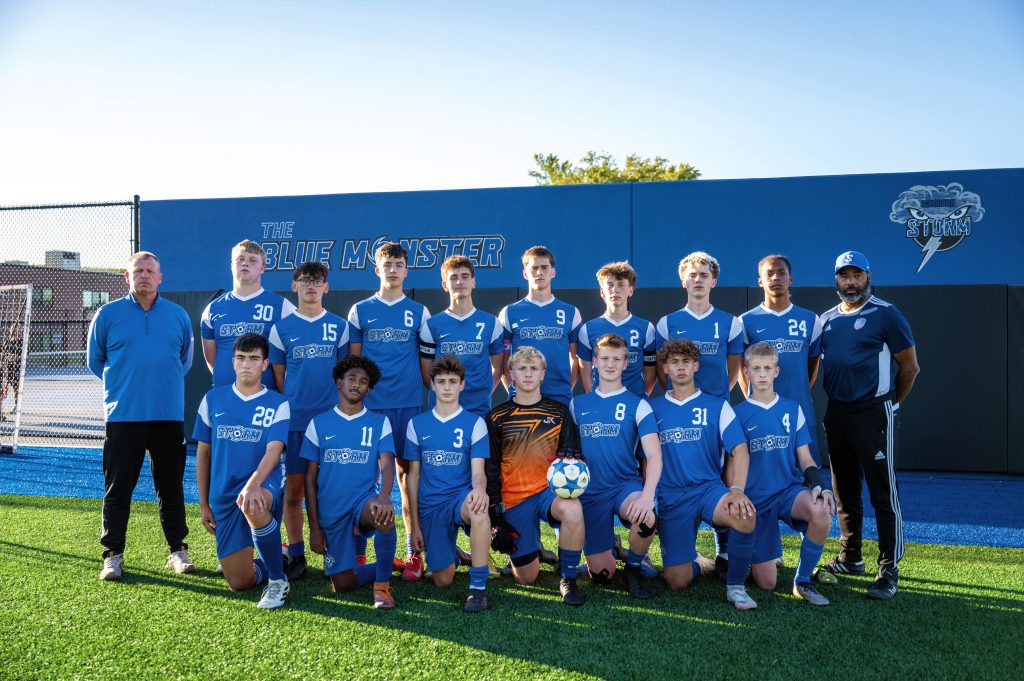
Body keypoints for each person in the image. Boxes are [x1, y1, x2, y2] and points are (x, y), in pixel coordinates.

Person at [86, 251, 195, 581]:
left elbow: (184, 361)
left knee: (171, 488)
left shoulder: (177, 316)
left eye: (150, 271)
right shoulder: (108, 314)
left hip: (167, 415)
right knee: (117, 490)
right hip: (124, 416)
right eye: (138, 271)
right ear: (127, 277)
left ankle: (177, 551)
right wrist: (124, 387)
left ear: (160, 277)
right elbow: (96, 361)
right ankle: (112, 555)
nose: (144, 276)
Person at [818, 251, 919, 600]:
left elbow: (910, 367)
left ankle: (889, 568)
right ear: (836, 280)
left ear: (868, 276)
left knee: (882, 492)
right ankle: (851, 557)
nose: (850, 282)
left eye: (856, 274)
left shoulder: (886, 314)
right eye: (844, 275)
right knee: (844, 490)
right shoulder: (826, 319)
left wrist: (891, 404)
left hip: (874, 413)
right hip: (838, 414)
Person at [650, 340, 759, 610]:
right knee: (677, 581)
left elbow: (740, 450)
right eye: (674, 362)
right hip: (671, 496)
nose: (681, 367)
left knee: (745, 514)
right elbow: (645, 459)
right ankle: (698, 563)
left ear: (696, 366)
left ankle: (736, 587)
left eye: (686, 362)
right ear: (664, 368)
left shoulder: (717, 405)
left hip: (708, 490)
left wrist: (736, 490)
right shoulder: (651, 408)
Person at [655, 251, 744, 580]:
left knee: (721, 478)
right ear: (683, 280)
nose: (698, 280)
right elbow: (664, 372)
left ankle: (725, 552)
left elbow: (733, 371)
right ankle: (682, 548)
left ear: (713, 281)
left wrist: (712, 400)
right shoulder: (668, 323)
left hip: (713, 413)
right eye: (692, 275)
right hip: (679, 410)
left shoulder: (729, 322)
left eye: (704, 275)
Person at [347, 242, 430, 580]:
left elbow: (427, 367)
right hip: (372, 409)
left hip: (409, 406)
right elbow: (354, 363)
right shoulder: (360, 310)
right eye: (387, 264)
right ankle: (359, 551)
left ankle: (413, 553)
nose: (393, 270)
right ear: (377, 269)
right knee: (364, 479)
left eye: (398, 264)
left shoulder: (419, 312)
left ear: (406, 270)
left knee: (408, 479)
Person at [732, 342, 835, 606]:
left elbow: (805, 457)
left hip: (787, 492)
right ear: (746, 373)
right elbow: (732, 464)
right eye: (756, 368)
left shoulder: (792, 409)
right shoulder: (736, 414)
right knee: (767, 583)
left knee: (822, 509)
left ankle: (802, 582)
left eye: (768, 368)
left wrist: (820, 485)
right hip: (756, 501)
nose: (762, 374)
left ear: (777, 371)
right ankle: (761, 550)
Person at [193, 333, 291, 609]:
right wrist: (203, 504)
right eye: (241, 358)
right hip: (224, 493)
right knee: (239, 582)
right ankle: (272, 556)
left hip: (264, 482)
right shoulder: (213, 400)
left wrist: (253, 484)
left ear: (265, 364)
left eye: (254, 359)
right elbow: (203, 454)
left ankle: (277, 581)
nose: (247, 364)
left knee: (252, 502)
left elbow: (274, 450)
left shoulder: (277, 403)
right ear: (232, 361)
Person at [486, 346, 587, 605]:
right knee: (526, 578)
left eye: (534, 369)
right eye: (522, 369)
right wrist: (496, 516)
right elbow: (491, 468)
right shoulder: (497, 417)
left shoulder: (560, 413)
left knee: (573, 509)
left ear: (543, 374)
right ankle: (534, 550)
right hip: (515, 500)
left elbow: (573, 459)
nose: (528, 374)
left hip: (547, 494)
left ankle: (568, 577)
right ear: (512, 374)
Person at [268, 261, 350, 580]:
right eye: (304, 280)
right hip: (296, 423)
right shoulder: (281, 329)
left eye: (317, 281)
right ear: (295, 286)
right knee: (294, 491)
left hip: (331, 423)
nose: (311, 286)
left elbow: (345, 375)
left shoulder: (339, 326)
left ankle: (336, 552)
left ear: (326, 288)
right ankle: (297, 554)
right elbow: (279, 378)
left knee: (331, 491)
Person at [302, 355, 399, 609]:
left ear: (369, 389)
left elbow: (387, 463)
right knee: (343, 585)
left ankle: (382, 587)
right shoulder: (318, 423)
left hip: (362, 502)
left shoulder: (379, 422)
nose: (357, 384)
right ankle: (385, 564)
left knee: (383, 514)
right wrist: (314, 527)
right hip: (331, 513)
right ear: (339, 382)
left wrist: (385, 496)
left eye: (363, 381)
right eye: (352, 378)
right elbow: (309, 479)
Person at [570, 333, 662, 599]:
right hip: (590, 493)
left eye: (617, 359)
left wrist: (647, 497)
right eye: (605, 358)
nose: (610, 364)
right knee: (602, 575)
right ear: (595, 361)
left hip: (624, 487)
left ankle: (633, 566)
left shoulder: (638, 405)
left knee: (647, 517)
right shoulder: (578, 404)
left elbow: (654, 456)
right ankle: (609, 546)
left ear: (625, 364)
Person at [405, 356, 492, 612]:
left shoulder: (475, 423)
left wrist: (479, 490)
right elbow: (413, 477)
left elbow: (478, 473)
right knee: (443, 580)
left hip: (459, 499)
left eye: (452, 382)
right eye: (441, 381)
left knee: (478, 507)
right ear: (432, 385)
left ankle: (478, 587)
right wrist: (415, 529)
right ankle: (450, 549)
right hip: (431, 505)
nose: (446, 387)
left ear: (462, 385)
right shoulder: (416, 424)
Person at [740, 255, 824, 464]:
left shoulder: (810, 319)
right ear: (760, 281)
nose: (775, 277)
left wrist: (798, 389)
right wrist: (754, 396)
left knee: (808, 479)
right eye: (769, 274)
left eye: (781, 273)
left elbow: (811, 367)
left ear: (790, 279)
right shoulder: (745, 321)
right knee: (761, 478)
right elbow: (742, 370)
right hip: (760, 413)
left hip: (801, 410)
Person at [200, 240, 295, 388]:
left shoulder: (282, 307)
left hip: (266, 402)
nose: (245, 263)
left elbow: (294, 357)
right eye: (240, 259)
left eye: (252, 260)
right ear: (232, 265)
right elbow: (212, 361)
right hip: (224, 399)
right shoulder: (212, 309)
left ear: (262, 268)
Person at [419, 255, 504, 418]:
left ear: (473, 282)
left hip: (480, 411)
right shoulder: (431, 325)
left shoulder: (491, 323)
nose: (459, 282)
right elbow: (426, 375)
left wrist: (483, 393)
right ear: (445, 285)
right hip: (442, 412)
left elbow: (498, 368)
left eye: (465, 277)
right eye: (453, 278)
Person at [498, 245, 582, 407]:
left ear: (553, 272)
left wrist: (563, 389)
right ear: (525, 273)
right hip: (521, 398)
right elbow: (504, 363)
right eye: (534, 268)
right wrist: (515, 389)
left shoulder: (570, 312)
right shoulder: (509, 312)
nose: (539, 272)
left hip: (560, 399)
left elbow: (576, 361)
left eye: (544, 267)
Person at [577, 261, 657, 398]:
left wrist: (639, 397)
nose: (615, 290)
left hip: (635, 401)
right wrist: (595, 398)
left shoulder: (646, 328)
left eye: (621, 285)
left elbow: (651, 373)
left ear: (630, 290)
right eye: (610, 285)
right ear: (602, 291)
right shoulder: (588, 329)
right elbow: (585, 373)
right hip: (600, 402)